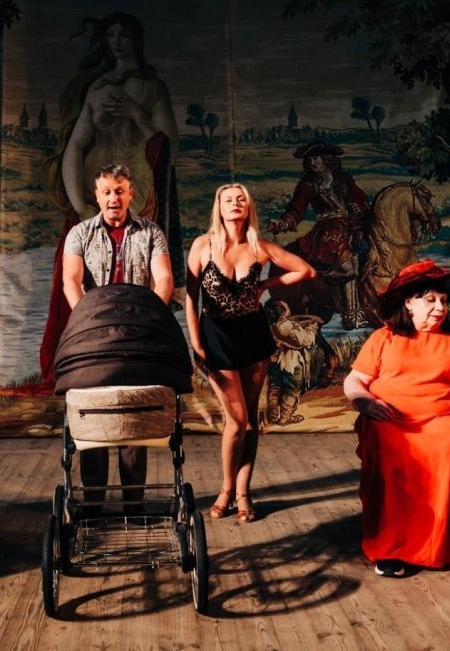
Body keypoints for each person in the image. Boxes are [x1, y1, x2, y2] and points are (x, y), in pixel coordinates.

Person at [344, 260, 450, 577]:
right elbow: (354, 381)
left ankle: (437, 546)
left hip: (443, 420)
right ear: (408, 303)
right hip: (390, 418)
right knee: (389, 446)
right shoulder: (383, 338)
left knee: (449, 444)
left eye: (443, 301)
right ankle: (391, 549)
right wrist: (365, 402)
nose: (440, 307)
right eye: (430, 300)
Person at [41, 12, 183, 381]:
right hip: (94, 208)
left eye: (124, 34)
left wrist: (137, 114)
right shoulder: (98, 89)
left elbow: (170, 148)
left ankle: (141, 349)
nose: (117, 41)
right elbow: (75, 147)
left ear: (136, 40)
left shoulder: (151, 88)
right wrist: (80, 205)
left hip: (143, 196)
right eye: (111, 35)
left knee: (139, 272)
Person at [186, 183, 315, 522]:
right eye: (228, 199)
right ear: (219, 207)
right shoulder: (202, 245)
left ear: (248, 208)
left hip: (254, 337)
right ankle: (226, 489)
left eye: (241, 199)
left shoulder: (260, 246)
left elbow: (306, 270)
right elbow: (190, 298)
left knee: (251, 420)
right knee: (237, 421)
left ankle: (243, 492)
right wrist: (196, 343)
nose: (235, 203)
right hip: (216, 337)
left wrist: (267, 285)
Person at [62, 163, 174, 511]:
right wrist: (88, 321)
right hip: (94, 335)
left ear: (130, 194)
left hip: (137, 333)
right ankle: (92, 506)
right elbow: (71, 281)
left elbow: (164, 279)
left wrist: (151, 318)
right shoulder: (80, 233)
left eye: (120, 191)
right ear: (97, 196)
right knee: (95, 415)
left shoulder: (151, 232)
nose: (114, 198)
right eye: (107, 192)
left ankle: (134, 505)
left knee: (132, 417)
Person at [267, 141, 370, 330]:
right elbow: (296, 210)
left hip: (353, 225)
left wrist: (360, 207)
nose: (312, 163)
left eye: (316, 158)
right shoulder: (308, 184)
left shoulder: (344, 179)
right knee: (346, 259)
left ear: (326, 159)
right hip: (329, 230)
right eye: (309, 160)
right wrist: (283, 223)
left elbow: (361, 200)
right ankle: (351, 314)